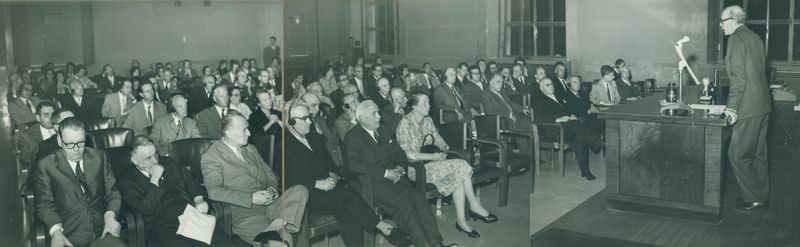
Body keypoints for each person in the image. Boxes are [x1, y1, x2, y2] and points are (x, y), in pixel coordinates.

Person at [284, 104, 412, 247]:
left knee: (348, 212)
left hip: (331, 190)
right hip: (308, 196)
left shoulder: (314, 138)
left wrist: (333, 175)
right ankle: (384, 228)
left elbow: (330, 163)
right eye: (304, 119)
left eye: (310, 117)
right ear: (291, 122)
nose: (309, 122)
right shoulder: (283, 144)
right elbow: (285, 180)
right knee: (348, 197)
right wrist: (316, 183)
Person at [343, 100, 458, 247]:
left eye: (378, 112)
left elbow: (400, 154)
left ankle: (436, 244)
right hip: (374, 183)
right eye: (374, 113)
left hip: (396, 178)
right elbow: (353, 164)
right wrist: (385, 173)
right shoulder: (352, 137)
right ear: (363, 118)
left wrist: (400, 167)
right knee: (405, 205)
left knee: (419, 199)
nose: (379, 116)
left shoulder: (383, 130)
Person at [396, 93, 498, 239]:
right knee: (461, 165)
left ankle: (462, 221)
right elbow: (408, 154)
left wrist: (444, 147)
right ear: (413, 106)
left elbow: (437, 138)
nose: (429, 106)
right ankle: (474, 206)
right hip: (416, 169)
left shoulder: (428, 120)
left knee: (458, 175)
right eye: (424, 103)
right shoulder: (404, 125)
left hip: (433, 164)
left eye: (429, 102)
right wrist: (433, 156)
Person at [201, 111, 308, 246]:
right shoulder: (212, 156)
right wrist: (251, 198)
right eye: (244, 130)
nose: (249, 134)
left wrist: (272, 189)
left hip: (270, 205)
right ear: (228, 132)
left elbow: (269, 174)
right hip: (246, 214)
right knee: (282, 242)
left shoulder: (250, 148)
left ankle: (272, 229)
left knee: (301, 190)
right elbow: (214, 191)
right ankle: (275, 229)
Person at [117, 136, 239, 246]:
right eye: (148, 158)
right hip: (162, 227)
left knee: (225, 244)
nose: (155, 161)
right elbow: (146, 208)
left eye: (155, 154)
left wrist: (199, 200)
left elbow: (191, 181)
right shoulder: (127, 181)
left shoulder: (168, 162)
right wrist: (154, 180)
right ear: (135, 160)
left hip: (190, 215)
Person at [32, 117, 127, 247]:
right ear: (59, 140)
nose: (76, 149)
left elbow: (113, 192)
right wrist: (56, 232)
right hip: (68, 235)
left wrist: (110, 216)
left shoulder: (99, 157)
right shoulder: (46, 166)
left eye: (81, 142)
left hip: (103, 231)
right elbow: (45, 204)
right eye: (70, 144)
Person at [720, 5, 772, 211]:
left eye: (723, 22)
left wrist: (731, 108)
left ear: (733, 21)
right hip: (762, 103)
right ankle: (760, 195)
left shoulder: (735, 39)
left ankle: (753, 198)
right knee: (758, 153)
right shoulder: (754, 37)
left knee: (738, 153)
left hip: (747, 106)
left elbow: (739, 78)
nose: (721, 26)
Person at [534, 79, 604, 180]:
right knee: (577, 125)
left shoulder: (557, 95)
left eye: (551, 83)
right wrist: (557, 119)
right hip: (553, 130)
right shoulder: (539, 99)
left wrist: (571, 115)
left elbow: (567, 109)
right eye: (547, 85)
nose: (551, 86)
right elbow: (538, 118)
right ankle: (598, 143)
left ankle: (585, 171)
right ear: (541, 88)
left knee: (580, 136)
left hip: (568, 128)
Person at [17, 101, 57, 167]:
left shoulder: (62, 129)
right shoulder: (27, 135)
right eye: (46, 115)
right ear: (38, 118)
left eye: (53, 115)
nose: (51, 118)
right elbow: (24, 158)